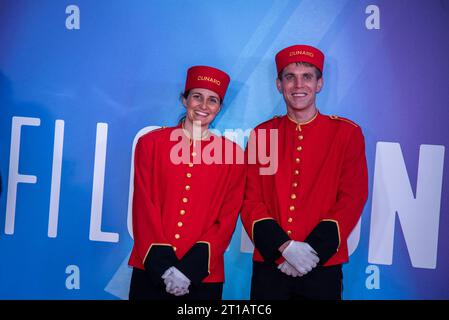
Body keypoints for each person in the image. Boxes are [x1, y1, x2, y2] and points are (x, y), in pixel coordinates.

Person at [241, 44, 368, 300]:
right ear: (279, 85)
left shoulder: (346, 133)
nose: (298, 85)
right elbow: (250, 199)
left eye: (307, 76)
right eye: (290, 77)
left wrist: (311, 252)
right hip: (271, 265)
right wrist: (283, 248)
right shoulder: (263, 134)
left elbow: (352, 198)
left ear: (319, 84)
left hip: (322, 266)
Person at [128, 65, 245, 300]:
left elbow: (226, 219)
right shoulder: (151, 143)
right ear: (184, 100)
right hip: (151, 269)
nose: (203, 106)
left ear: (219, 108)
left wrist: (189, 270)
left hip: (203, 275)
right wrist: (163, 268)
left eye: (212, 100)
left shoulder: (233, 155)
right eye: (197, 97)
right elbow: (144, 206)